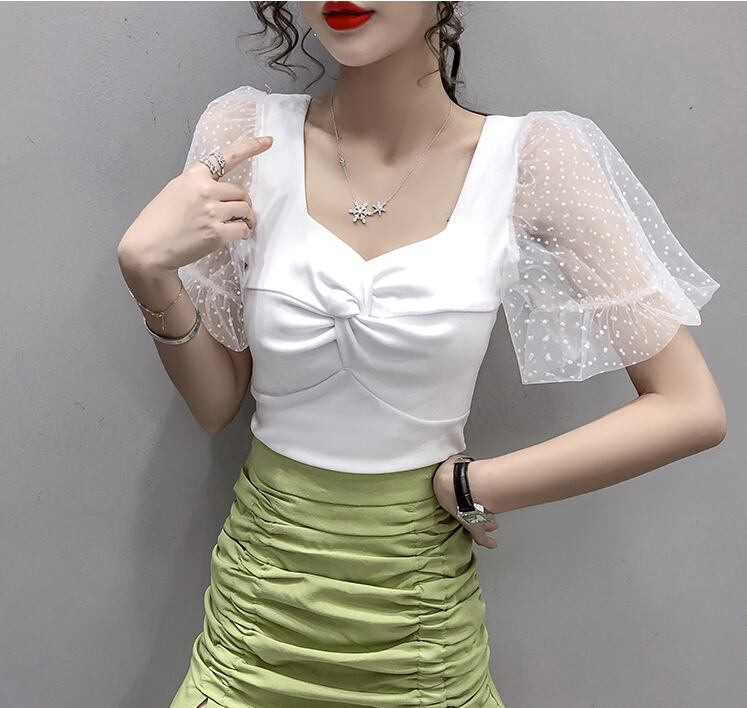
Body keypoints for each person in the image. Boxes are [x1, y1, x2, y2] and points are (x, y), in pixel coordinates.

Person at [116, 2, 726, 706]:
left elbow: (690, 407)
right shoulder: (244, 135)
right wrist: (147, 273)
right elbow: (217, 402)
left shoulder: (532, 159)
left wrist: (476, 486)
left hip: (416, 626)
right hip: (256, 619)